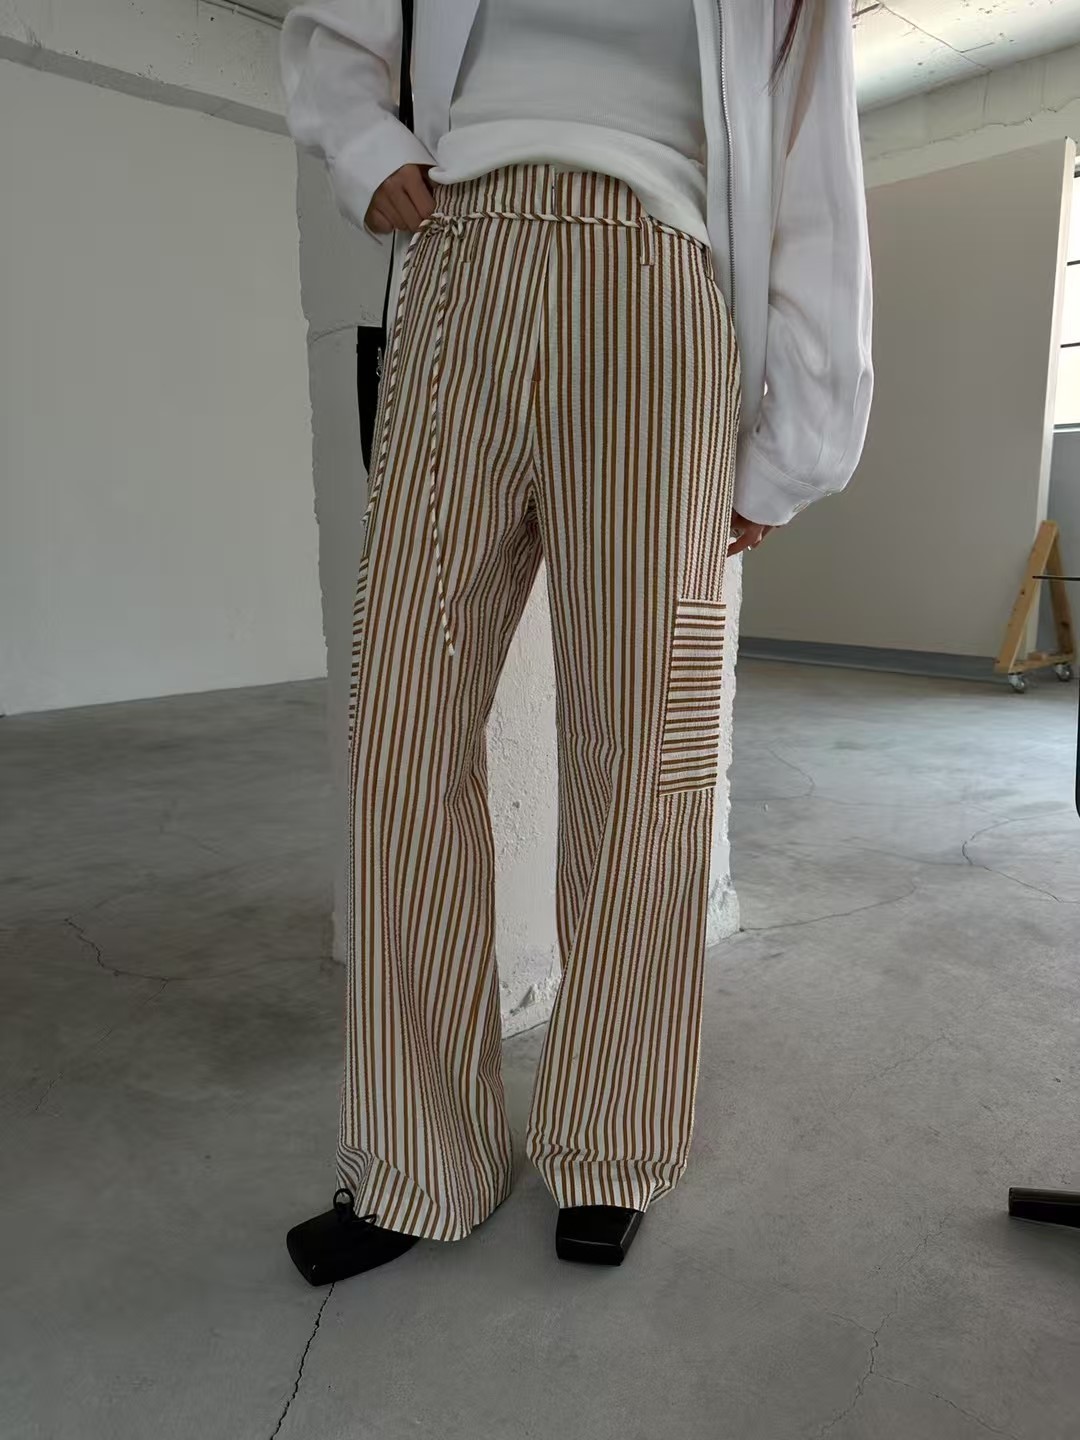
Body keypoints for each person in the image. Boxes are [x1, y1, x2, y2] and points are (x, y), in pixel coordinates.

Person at [280, 0, 872, 1281]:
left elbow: (814, 159)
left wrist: (796, 445)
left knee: (648, 753)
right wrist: (360, 140)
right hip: (461, 250)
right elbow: (339, 23)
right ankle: (417, 1158)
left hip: (662, 277)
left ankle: (611, 1140)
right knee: (401, 729)